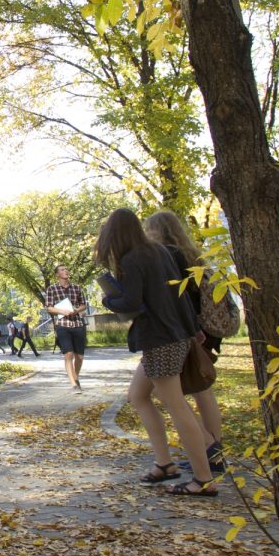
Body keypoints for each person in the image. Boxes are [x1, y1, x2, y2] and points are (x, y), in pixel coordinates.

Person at [96, 208, 217, 496]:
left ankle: (203, 478)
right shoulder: (159, 252)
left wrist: (109, 299)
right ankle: (165, 464)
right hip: (176, 334)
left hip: (159, 339)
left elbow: (132, 302)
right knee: (137, 396)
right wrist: (192, 330)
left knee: (177, 406)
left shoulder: (132, 259)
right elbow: (182, 294)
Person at [143, 210, 226, 475]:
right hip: (204, 329)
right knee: (201, 389)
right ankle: (213, 453)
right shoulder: (191, 254)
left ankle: (208, 451)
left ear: (155, 231)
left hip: (185, 330)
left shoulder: (166, 255)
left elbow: (175, 297)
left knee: (171, 394)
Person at [45, 264, 88, 391]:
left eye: (66, 269)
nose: (66, 271)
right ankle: (74, 385)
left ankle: (76, 377)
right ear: (57, 274)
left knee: (79, 357)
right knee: (68, 354)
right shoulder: (51, 289)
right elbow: (49, 307)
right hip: (62, 325)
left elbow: (83, 305)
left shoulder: (77, 288)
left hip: (77, 324)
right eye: (63, 270)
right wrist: (62, 311)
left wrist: (76, 310)